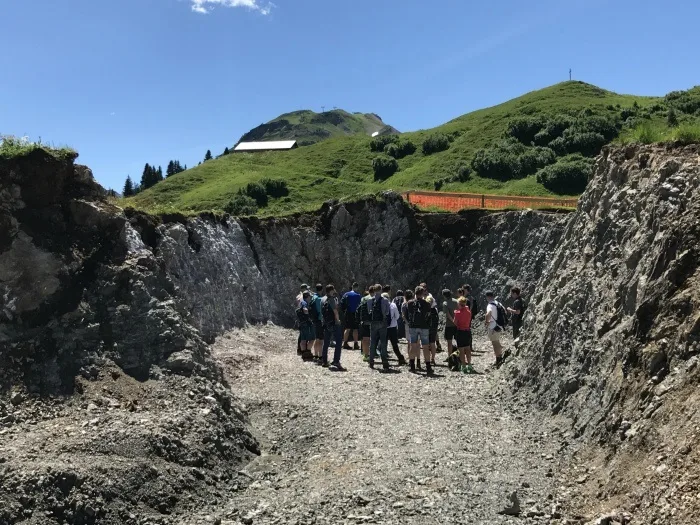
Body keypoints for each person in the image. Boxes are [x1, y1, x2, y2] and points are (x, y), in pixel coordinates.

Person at [404, 286, 434, 376]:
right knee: (425, 346)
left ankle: (412, 365)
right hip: (424, 327)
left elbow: (406, 314)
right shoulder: (426, 303)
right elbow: (429, 315)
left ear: (415, 293)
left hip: (413, 326)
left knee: (413, 345)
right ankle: (428, 366)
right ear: (423, 293)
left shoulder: (409, 303)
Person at [320, 284, 346, 371]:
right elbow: (335, 311)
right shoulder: (331, 299)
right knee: (339, 342)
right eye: (333, 289)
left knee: (326, 342)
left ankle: (324, 361)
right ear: (331, 290)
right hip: (334, 323)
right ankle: (336, 361)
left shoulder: (322, 299)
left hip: (326, 323)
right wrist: (338, 321)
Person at [366, 284, 391, 371]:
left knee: (373, 342)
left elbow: (368, 312)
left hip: (373, 323)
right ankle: (384, 362)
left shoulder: (369, 300)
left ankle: (371, 361)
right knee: (383, 342)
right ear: (380, 290)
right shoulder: (385, 300)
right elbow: (387, 312)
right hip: (382, 323)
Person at [384, 292, 406, 366]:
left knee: (383, 343)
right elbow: (397, 316)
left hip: (383, 327)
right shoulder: (393, 305)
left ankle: (384, 359)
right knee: (394, 344)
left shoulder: (380, 304)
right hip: (392, 327)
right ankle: (400, 358)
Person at [454, 296, 474, 374]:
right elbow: (466, 308)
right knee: (468, 349)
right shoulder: (468, 311)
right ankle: (469, 364)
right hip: (467, 331)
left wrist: (456, 312)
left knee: (461, 350)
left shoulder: (457, 313)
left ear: (459, 304)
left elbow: (455, 323)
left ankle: (463, 365)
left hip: (460, 332)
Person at [484, 290, 505, 368]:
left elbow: (488, 313)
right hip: (499, 326)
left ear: (488, 297)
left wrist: (486, 321)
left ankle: (498, 360)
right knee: (497, 341)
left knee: (495, 343)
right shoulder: (498, 303)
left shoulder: (490, 305)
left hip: (493, 326)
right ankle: (500, 356)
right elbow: (504, 311)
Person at [341, 283, 363, 350]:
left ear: (352, 287)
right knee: (355, 329)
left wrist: (344, 310)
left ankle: (345, 343)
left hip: (348, 313)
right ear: (357, 287)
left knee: (347, 328)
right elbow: (360, 305)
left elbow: (342, 303)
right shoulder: (358, 295)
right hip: (355, 314)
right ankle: (355, 344)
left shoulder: (346, 294)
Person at [296, 291, 316, 361]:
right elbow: (305, 310)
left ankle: (304, 353)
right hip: (307, 324)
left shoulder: (301, 302)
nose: (310, 298)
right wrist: (308, 316)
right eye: (309, 296)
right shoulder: (304, 303)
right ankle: (307, 351)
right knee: (312, 338)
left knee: (303, 339)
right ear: (307, 296)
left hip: (302, 323)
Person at [442, 289, 458, 359]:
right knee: (458, 341)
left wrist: (453, 320)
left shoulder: (445, 303)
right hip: (457, 324)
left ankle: (450, 357)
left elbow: (447, 314)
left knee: (449, 342)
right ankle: (459, 356)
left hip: (449, 325)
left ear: (444, 296)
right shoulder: (456, 301)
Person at [357, 288, 372, 362]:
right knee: (371, 339)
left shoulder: (363, 299)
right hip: (372, 322)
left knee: (365, 339)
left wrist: (359, 320)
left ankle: (365, 354)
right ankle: (371, 354)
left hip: (364, 321)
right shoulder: (373, 299)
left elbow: (358, 309)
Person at [311, 284, 324, 361]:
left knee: (316, 338)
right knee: (321, 339)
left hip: (314, 320)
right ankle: (320, 356)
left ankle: (315, 355)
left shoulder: (313, 297)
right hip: (319, 320)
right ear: (321, 290)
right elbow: (320, 311)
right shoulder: (319, 299)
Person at [295, 284, 309, 355]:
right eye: (306, 289)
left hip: (300, 317)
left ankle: (300, 349)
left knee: (302, 334)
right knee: (302, 334)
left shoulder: (299, 296)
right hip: (303, 317)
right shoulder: (301, 297)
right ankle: (301, 349)